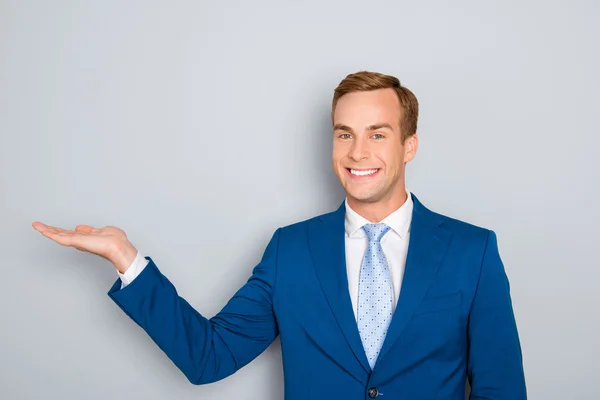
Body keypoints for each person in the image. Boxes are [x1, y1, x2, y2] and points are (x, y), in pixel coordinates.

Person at [32, 71, 527, 399]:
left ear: (409, 146)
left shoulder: (472, 251)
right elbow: (209, 356)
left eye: (377, 134)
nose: (358, 152)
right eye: (343, 133)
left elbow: (501, 390)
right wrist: (125, 256)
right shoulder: (292, 250)